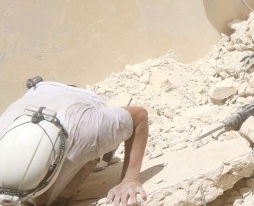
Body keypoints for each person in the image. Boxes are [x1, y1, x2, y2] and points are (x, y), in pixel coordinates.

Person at [0, 80, 148, 205]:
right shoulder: (3, 133)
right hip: (39, 90)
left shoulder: (89, 130)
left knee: (55, 199)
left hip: (85, 100)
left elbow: (139, 117)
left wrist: (130, 179)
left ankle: (109, 143)